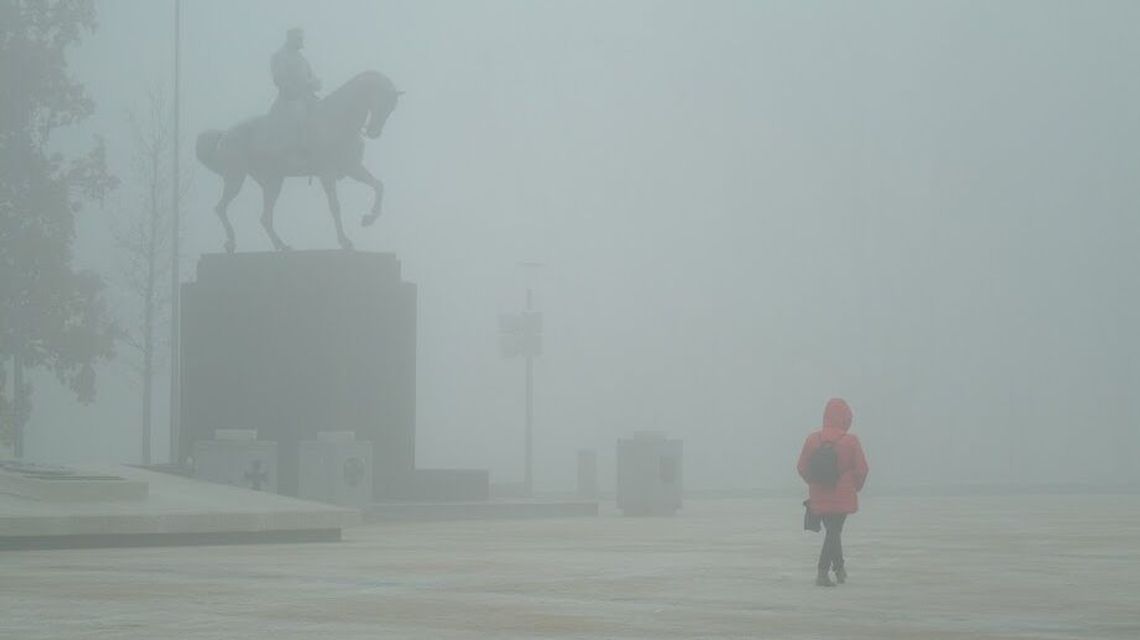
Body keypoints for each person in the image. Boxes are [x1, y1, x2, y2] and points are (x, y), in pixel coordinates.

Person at [797, 398, 869, 587]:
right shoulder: (851, 441)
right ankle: (822, 572)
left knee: (833, 531)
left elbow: (801, 466)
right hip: (842, 494)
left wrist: (813, 482)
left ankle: (839, 569)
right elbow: (862, 469)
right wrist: (854, 486)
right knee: (834, 531)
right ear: (845, 418)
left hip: (819, 494)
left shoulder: (813, 439)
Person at [270, 28, 322, 157]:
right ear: (291, 39)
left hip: (308, 99)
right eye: (298, 39)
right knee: (299, 115)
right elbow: (280, 79)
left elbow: (311, 77)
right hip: (289, 100)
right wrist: (302, 86)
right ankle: (300, 150)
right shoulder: (280, 56)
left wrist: (315, 83)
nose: (301, 41)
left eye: (301, 38)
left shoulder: (303, 60)